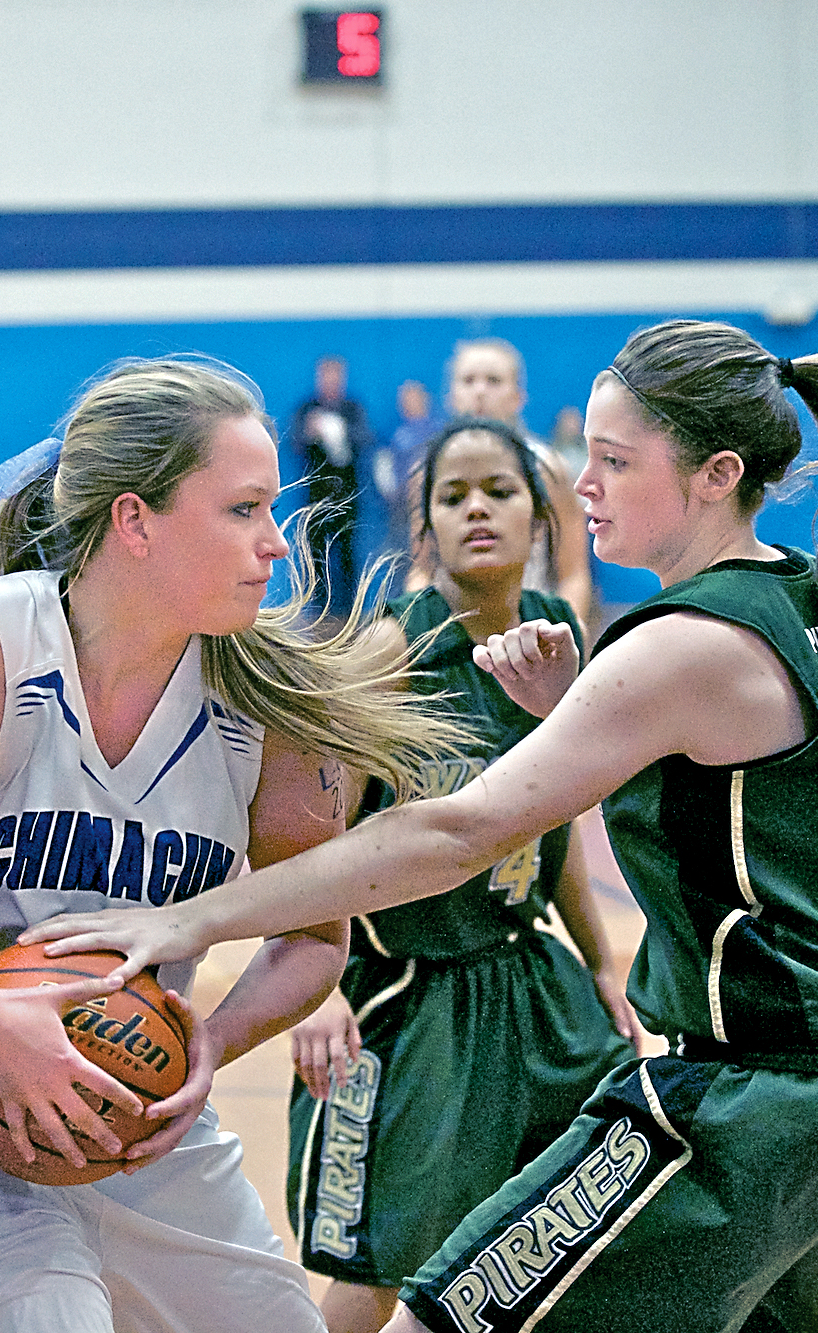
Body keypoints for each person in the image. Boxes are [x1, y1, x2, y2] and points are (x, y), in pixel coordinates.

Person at [26, 318, 818, 1333]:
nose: (583, 487)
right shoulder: (816, 599)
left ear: (716, 474)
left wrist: (194, 921)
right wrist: (580, 716)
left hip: (756, 1098)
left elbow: (451, 833)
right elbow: (741, 828)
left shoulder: (683, 643)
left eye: (614, 461)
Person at [0, 356, 470, 1333]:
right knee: (44, 1317)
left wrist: (206, 1045)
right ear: (134, 520)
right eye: (242, 510)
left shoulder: (270, 704)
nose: (275, 544)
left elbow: (314, 938)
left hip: (144, 1108)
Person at [284, 415, 640, 1333]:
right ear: (425, 530)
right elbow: (293, 822)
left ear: (539, 516)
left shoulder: (558, 634)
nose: (477, 508)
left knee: (573, 1226)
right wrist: (309, 976)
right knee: (384, 1267)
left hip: (526, 979)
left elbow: (555, 816)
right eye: (453, 496)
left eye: (499, 490)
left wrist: (600, 956)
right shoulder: (391, 654)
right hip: (404, 996)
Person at [407, 339, 596, 635]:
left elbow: (573, 573)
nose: (480, 391)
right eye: (468, 380)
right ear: (452, 395)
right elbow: (422, 568)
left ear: (518, 396)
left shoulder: (549, 469)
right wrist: (415, 627)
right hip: (456, 632)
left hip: (529, 630)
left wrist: (568, 636)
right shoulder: (427, 472)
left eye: (494, 380)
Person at [290, 354, 374, 614]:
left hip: (347, 494)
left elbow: (365, 439)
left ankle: (349, 609)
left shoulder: (352, 409)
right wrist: (310, 432)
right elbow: (295, 442)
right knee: (315, 553)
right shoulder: (307, 409)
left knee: (347, 553)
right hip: (316, 494)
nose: (330, 382)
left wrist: (342, 432)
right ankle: (318, 607)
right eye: (326, 376)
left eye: (336, 377)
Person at [370, 378, 438, 564]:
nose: (408, 403)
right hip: (401, 509)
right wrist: (391, 494)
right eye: (404, 399)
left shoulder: (438, 431)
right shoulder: (393, 433)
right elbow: (382, 466)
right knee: (400, 556)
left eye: (412, 397)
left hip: (431, 505)